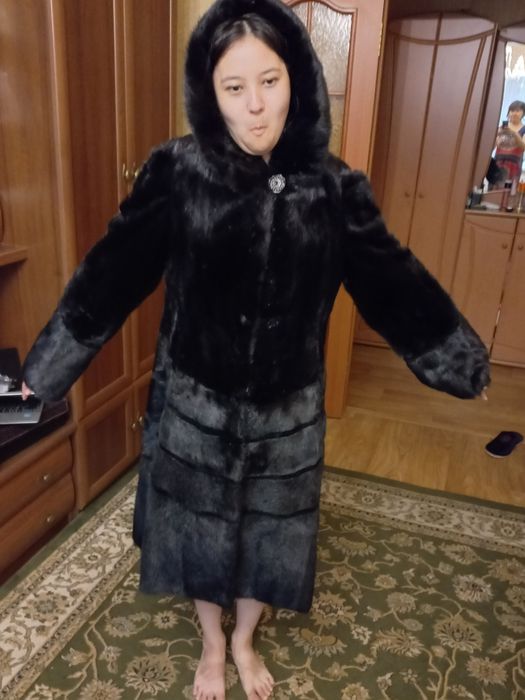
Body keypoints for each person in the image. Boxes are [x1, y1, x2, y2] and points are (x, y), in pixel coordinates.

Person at [21, 1, 490, 698]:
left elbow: (392, 280)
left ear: (296, 77)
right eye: (233, 87)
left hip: (287, 410)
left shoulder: (334, 187)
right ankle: (212, 644)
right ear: (209, 93)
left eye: (269, 81)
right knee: (200, 534)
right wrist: (49, 366)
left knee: (271, 540)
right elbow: (112, 270)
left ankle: (244, 640)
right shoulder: (177, 170)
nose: (255, 106)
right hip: (196, 404)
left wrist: (456, 357)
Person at [493, 100, 525, 187]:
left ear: (523, 113)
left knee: (509, 190)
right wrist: (497, 134)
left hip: (514, 166)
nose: (514, 113)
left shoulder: (524, 129)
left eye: (517, 111)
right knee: (493, 189)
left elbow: (523, 147)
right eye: (512, 110)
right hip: (498, 163)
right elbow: (492, 147)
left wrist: (513, 133)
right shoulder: (502, 128)